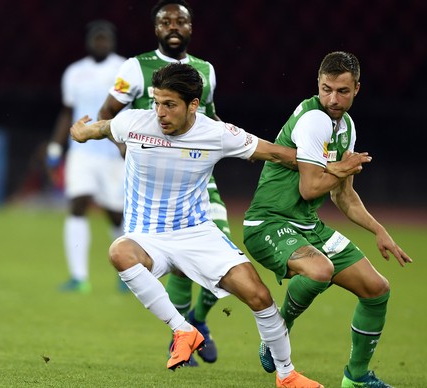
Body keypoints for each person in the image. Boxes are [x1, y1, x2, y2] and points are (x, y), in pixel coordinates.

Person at [72, 62, 325, 387]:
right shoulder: (134, 123)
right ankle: (183, 329)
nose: (160, 112)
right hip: (147, 237)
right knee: (119, 251)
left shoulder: (216, 133)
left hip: (198, 235)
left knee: (259, 296)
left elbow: (276, 154)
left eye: (170, 104)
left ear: (193, 105)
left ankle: (287, 375)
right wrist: (81, 132)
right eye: (157, 102)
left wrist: (329, 165)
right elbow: (104, 127)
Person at [243, 51, 413, 388]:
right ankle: (277, 331)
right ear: (317, 86)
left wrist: (379, 231)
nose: (333, 99)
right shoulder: (313, 120)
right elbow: (309, 189)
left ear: (357, 89)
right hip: (268, 224)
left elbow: (343, 196)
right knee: (320, 270)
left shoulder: (345, 127)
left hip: (308, 227)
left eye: (342, 91)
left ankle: (357, 378)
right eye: (326, 89)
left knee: (377, 289)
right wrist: (340, 168)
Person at [98, 0, 225, 365]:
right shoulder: (135, 67)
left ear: (190, 28)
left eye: (180, 21)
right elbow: (108, 115)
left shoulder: (206, 70)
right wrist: (128, 152)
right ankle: (182, 334)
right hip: (156, 183)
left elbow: (211, 119)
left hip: (199, 178)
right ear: (156, 29)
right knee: (182, 261)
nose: (173, 26)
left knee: (223, 249)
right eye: (165, 21)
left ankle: (197, 321)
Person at [46, 20, 126, 293]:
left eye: (105, 39)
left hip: (112, 152)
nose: (101, 43)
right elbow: (67, 112)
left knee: (115, 214)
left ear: (112, 42)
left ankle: (127, 274)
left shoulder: (123, 69)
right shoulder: (74, 72)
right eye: (97, 39)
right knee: (77, 204)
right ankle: (79, 277)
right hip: (81, 151)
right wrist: (55, 149)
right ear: (89, 42)